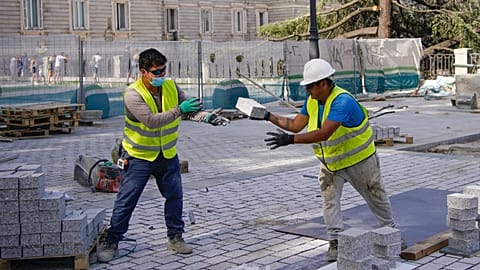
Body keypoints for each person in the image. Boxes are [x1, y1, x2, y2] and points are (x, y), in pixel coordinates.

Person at [251, 58, 405, 262]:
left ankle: (390, 232)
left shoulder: (343, 101)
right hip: (332, 164)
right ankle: (335, 242)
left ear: (323, 83)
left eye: (310, 87)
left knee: (375, 196)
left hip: (359, 161)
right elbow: (296, 124)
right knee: (329, 202)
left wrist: (290, 140)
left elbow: (324, 133)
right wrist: (268, 115)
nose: (307, 91)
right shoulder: (313, 101)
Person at [97, 48, 229, 262]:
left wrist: (206, 117)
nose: (161, 76)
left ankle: (175, 236)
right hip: (139, 156)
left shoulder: (170, 86)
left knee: (175, 196)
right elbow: (152, 120)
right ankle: (112, 238)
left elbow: (187, 109)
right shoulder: (133, 94)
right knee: (127, 199)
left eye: (163, 70)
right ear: (143, 72)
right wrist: (180, 109)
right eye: (156, 72)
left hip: (166, 155)